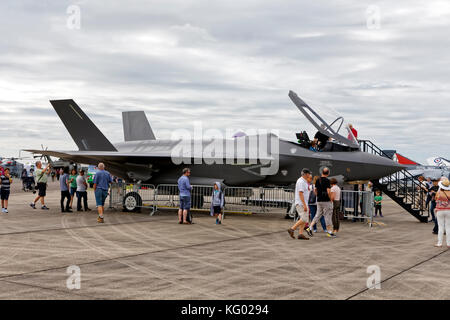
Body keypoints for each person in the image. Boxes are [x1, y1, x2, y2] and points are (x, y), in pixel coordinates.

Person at [306, 167, 336, 238]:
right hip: (326, 201)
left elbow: (315, 190)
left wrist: (318, 196)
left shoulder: (317, 180)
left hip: (319, 200)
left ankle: (310, 227)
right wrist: (330, 199)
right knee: (328, 215)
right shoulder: (327, 181)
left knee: (318, 215)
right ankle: (329, 232)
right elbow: (328, 191)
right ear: (328, 173)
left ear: (322, 172)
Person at [287, 169, 313, 240]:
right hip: (301, 203)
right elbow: (300, 193)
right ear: (305, 174)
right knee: (304, 219)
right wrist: (304, 205)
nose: (309, 175)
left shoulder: (304, 181)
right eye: (308, 174)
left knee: (304, 219)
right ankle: (292, 229)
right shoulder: (301, 181)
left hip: (303, 203)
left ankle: (300, 234)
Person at [434, 178, 450, 248]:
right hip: (448, 210)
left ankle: (439, 243)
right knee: (448, 227)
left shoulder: (438, 192)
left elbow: (436, 199)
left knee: (441, 227)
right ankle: (448, 243)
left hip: (440, 210)